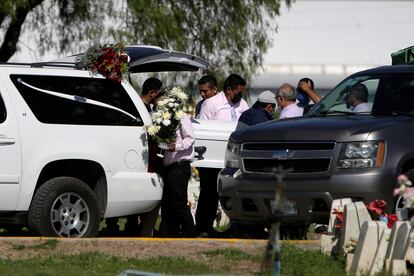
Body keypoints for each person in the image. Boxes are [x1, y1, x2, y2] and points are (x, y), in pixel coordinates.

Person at [105, 77, 164, 237]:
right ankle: (116, 225)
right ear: (152, 93)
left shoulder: (141, 107)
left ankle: (130, 225)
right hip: (132, 156)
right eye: (161, 93)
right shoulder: (139, 109)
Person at [196, 73, 249, 237]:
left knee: (233, 192)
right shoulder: (211, 104)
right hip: (212, 157)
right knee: (209, 193)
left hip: (233, 158)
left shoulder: (243, 104)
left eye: (241, 92)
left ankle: (236, 226)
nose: (239, 96)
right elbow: (201, 129)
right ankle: (204, 227)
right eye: (237, 92)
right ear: (228, 90)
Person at [159, 111, 196, 237]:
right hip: (169, 166)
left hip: (180, 165)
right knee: (167, 205)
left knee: (179, 204)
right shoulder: (162, 118)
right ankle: (169, 235)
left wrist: (177, 146)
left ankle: (191, 234)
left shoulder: (182, 117)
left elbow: (190, 138)